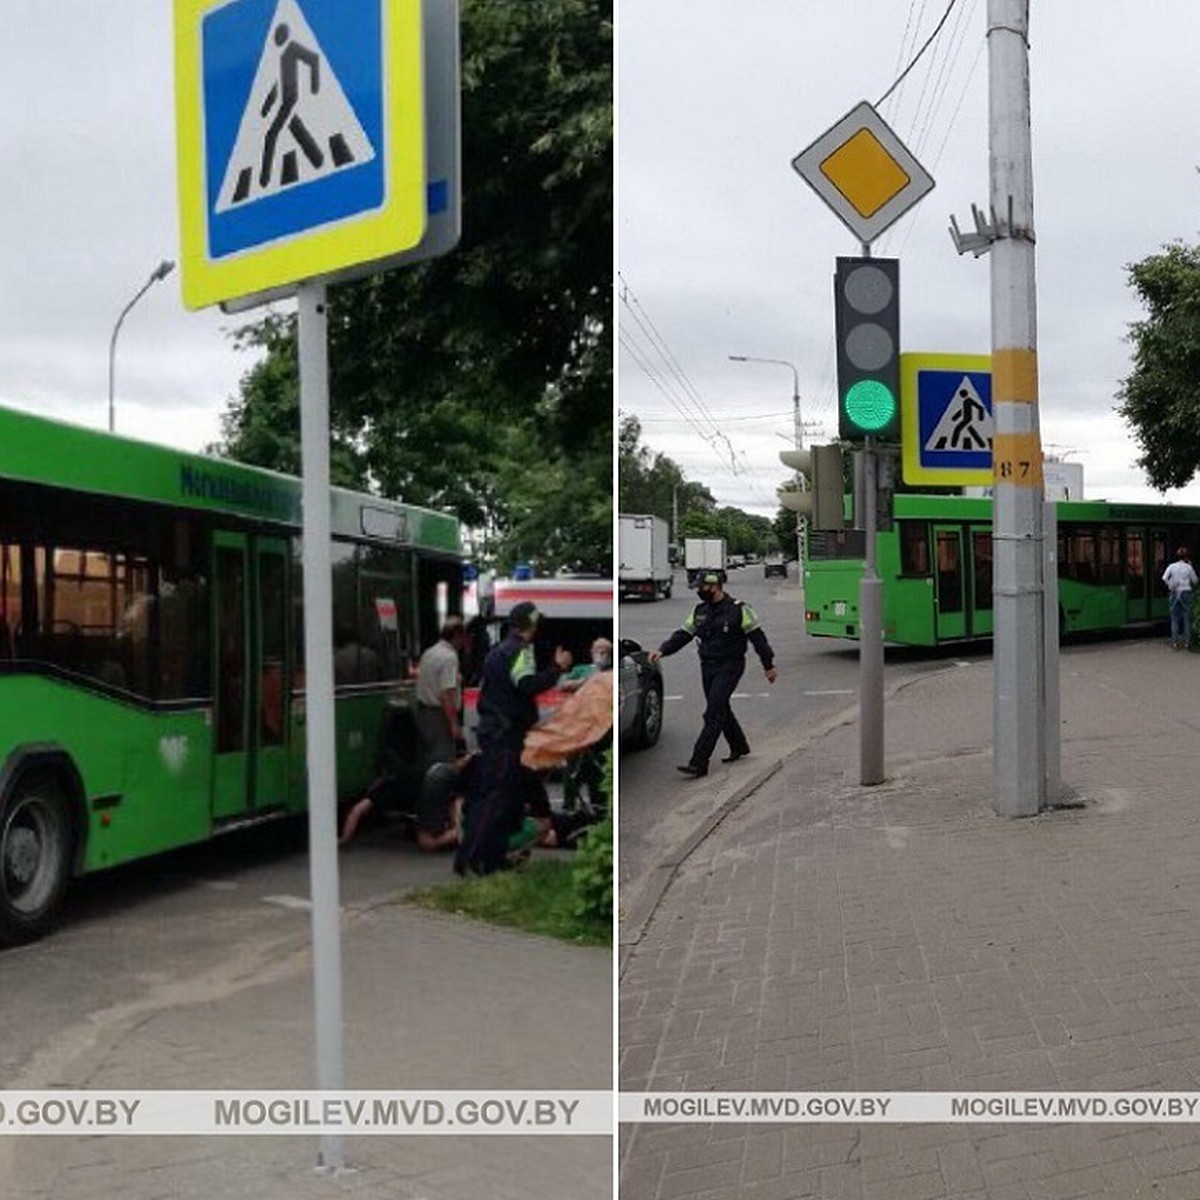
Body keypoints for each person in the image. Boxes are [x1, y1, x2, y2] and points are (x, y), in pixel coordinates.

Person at [455, 600, 572, 875]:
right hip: (506, 736)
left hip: (496, 732)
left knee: (507, 801)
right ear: (531, 624)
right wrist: (557, 669)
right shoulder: (522, 651)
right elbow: (526, 684)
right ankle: (474, 862)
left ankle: (494, 859)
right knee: (497, 800)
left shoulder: (497, 651)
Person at [649, 569, 777, 778]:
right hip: (707, 666)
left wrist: (768, 666)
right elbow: (683, 634)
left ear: (714, 586)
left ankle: (699, 762)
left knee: (713, 713)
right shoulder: (699, 611)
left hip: (731, 666)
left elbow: (758, 639)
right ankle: (739, 746)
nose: (699, 592)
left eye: (701, 588)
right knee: (721, 707)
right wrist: (662, 650)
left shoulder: (739, 610)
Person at [415, 617, 467, 764]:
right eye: (463, 637)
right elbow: (446, 695)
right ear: (456, 635)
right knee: (442, 762)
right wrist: (454, 725)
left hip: (423, 714)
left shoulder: (429, 652)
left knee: (427, 760)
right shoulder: (450, 657)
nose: (464, 642)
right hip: (439, 717)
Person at [1163, 546, 1198, 651]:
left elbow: (1164, 577)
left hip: (1174, 592)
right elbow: (1195, 580)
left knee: (1174, 618)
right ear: (1186, 557)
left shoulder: (1172, 566)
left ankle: (1175, 643)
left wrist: (1171, 585)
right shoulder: (1188, 567)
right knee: (1186, 618)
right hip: (1186, 591)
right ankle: (1187, 643)